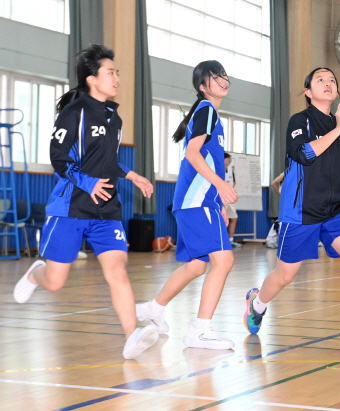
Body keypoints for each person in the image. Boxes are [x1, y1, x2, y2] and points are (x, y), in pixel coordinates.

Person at [13, 44, 158, 360]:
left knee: (117, 270)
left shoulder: (113, 118)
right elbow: (58, 158)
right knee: (54, 282)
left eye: (117, 72)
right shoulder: (74, 112)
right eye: (110, 72)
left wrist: (132, 175)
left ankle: (132, 334)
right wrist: (86, 182)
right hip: (70, 208)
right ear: (92, 79)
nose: (116, 77)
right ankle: (36, 272)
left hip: (106, 209)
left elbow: (106, 161)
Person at [244, 67, 340, 354]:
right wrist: (339, 129)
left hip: (338, 211)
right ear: (308, 92)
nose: (328, 83)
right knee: (285, 275)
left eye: (332, 80)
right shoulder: (300, 121)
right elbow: (304, 153)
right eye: (320, 80)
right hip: (301, 211)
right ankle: (257, 304)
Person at [136, 61, 238, 350]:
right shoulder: (206, 110)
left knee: (195, 266)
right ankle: (199, 330)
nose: (222, 79)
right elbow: (193, 154)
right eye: (214, 77)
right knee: (224, 261)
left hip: (199, 201)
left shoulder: (210, 114)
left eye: (223, 74)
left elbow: (206, 159)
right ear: (202, 87)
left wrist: (216, 200)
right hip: (196, 201)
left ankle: (154, 308)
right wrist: (220, 186)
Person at [224, 152, 241, 247]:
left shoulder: (230, 170)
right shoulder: (217, 169)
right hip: (222, 197)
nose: (229, 161)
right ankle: (221, 240)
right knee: (222, 218)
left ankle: (230, 240)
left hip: (229, 198)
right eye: (227, 159)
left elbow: (234, 182)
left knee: (234, 218)